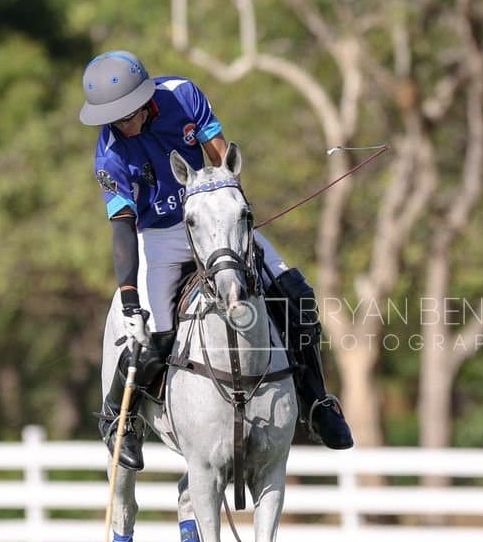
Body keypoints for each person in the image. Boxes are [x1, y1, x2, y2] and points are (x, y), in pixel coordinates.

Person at [79, 50, 353, 470]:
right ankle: (119, 419)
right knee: (158, 336)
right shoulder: (110, 153)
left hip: (212, 215)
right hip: (160, 235)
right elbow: (122, 228)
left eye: (125, 113)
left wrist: (232, 213)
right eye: (111, 117)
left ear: (144, 98)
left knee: (295, 294)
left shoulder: (183, 95)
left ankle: (317, 402)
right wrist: (130, 300)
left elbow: (222, 159)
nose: (120, 123)